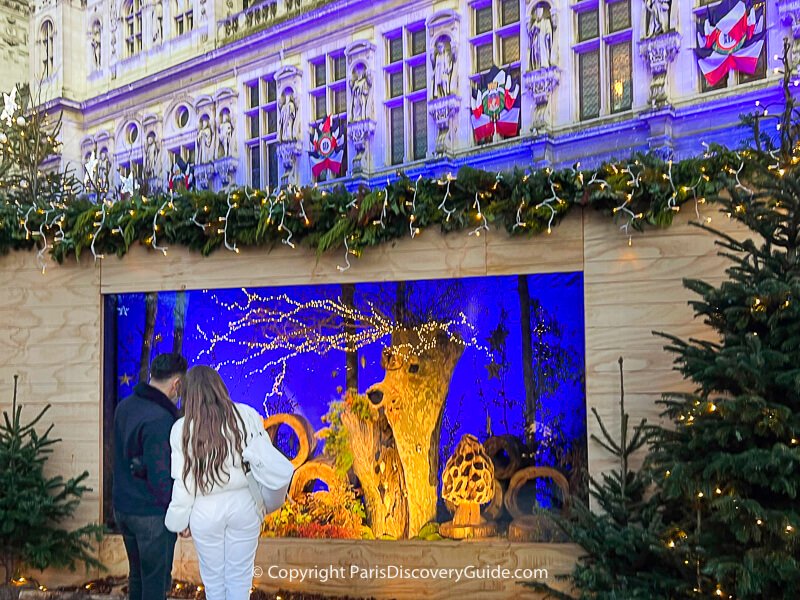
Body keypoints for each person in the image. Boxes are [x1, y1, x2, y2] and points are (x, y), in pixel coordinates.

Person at [165, 366, 265, 600]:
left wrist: (180, 519)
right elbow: (263, 460)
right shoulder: (246, 416)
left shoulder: (181, 429)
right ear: (219, 387)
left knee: (214, 583)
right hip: (244, 504)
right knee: (240, 580)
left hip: (205, 508)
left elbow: (184, 481)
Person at [113, 353, 188, 600]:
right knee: (155, 584)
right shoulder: (160, 418)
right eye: (182, 387)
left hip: (123, 508)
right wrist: (179, 515)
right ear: (176, 384)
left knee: (137, 576)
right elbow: (161, 478)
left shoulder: (124, 407)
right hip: (151, 515)